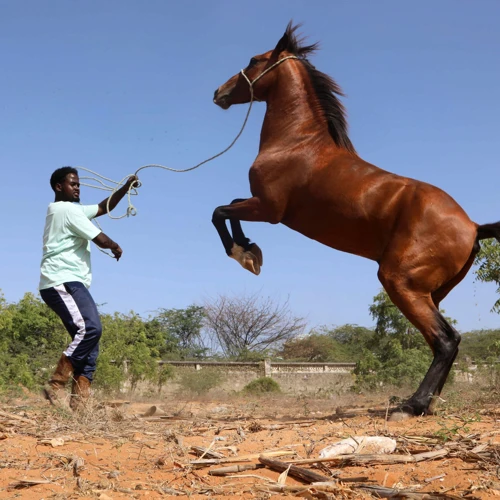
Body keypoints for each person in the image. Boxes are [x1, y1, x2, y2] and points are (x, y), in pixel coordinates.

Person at [39, 166, 138, 411]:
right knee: (90, 328)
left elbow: (104, 208)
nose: (77, 188)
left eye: (79, 184)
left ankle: (80, 405)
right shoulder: (64, 210)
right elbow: (100, 238)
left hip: (71, 281)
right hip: (61, 280)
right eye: (73, 184)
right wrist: (115, 246)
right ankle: (56, 383)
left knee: (89, 341)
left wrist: (125, 188)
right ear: (58, 187)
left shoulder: (73, 209)